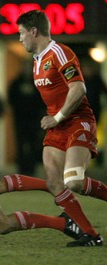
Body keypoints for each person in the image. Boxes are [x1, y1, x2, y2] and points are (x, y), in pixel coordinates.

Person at [16, 10, 106, 246]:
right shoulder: (36, 60)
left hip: (77, 120)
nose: (20, 39)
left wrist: (58, 117)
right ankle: (91, 235)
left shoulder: (59, 52)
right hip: (58, 126)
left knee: (74, 181)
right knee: (54, 183)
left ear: (34, 31)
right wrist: (55, 119)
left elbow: (78, 89)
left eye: (21, 33)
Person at [8, 59, 44, 175]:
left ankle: (31, 171)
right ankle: (21, 170)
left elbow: (43, 100)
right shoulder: (16, 83)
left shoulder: (38, 83)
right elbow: (11, 99)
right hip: (20, 120)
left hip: (34, 120)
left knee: (33, 145)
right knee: (20, 145)